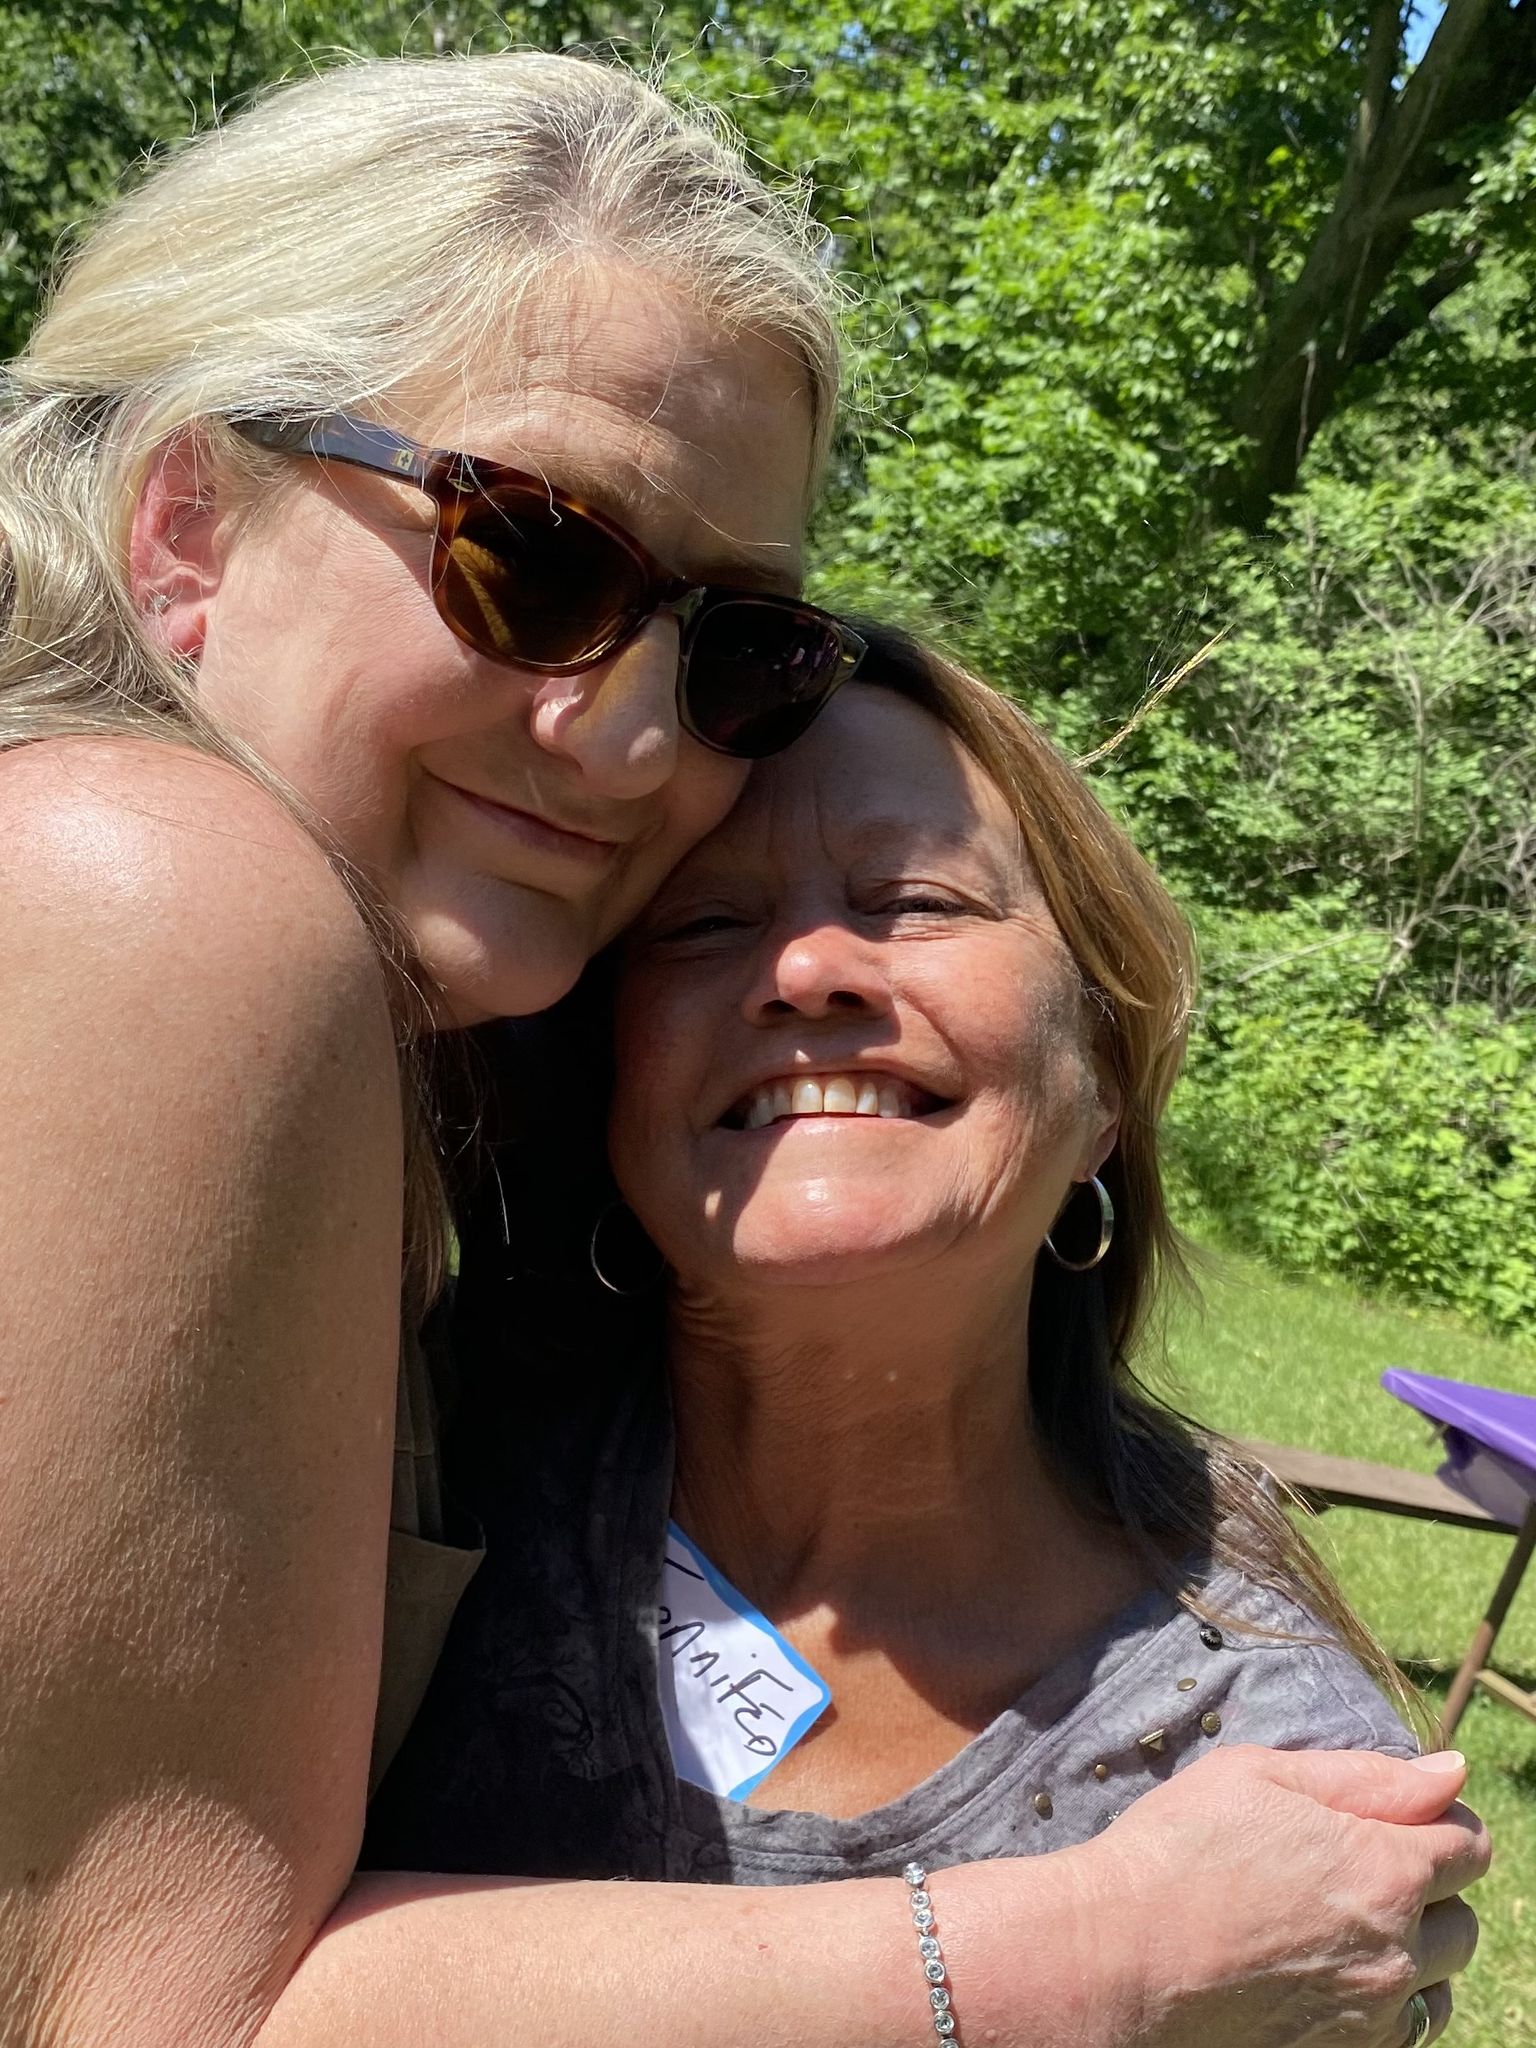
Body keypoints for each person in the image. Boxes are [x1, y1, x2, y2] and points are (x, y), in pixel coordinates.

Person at [0, 46, 1485, 2048]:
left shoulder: (418, 1123)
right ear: (187, 521)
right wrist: (1100, 1944)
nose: (632, 746)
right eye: (532, 555)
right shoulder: (158, 887)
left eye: (730, 647)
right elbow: (143, 2008)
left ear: (1116, 1068)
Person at [366, 627, 1478, 2046]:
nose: (808, 969)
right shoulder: (401, 1482)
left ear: (1104, 1084)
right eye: (700, 923)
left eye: (915, 900)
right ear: (609, 1084)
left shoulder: (1265, 1786)